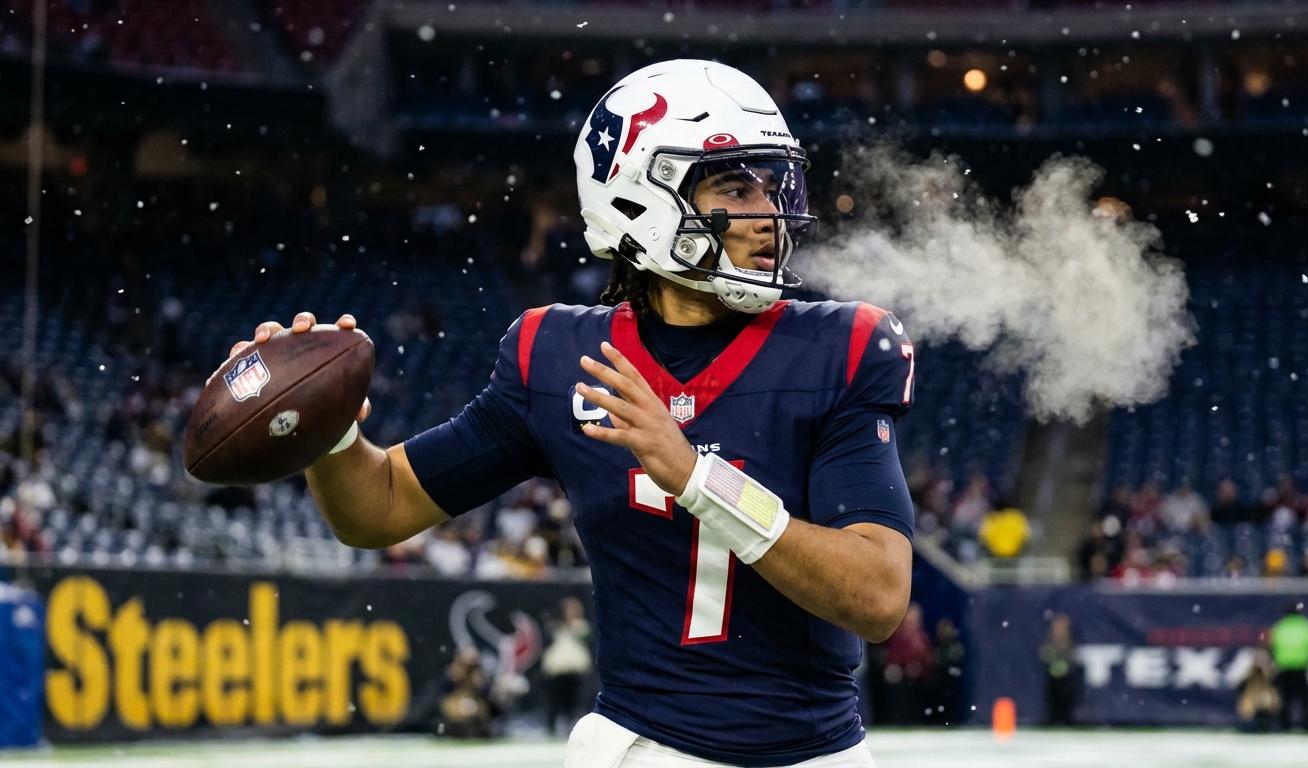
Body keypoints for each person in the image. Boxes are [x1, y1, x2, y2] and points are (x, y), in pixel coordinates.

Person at [228, 59, 913, 767]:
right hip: (642, 747)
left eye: (772, 185)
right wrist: (326, 427)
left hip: (813, 755)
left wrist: (696, 479)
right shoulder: (554, 355)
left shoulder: (840, 345)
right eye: (735, 186)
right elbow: (379, 508)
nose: (768, 213)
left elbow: (878, 594)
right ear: (639, 196)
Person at [542, 597, 595, 736]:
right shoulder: (554, 627)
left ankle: (573, 725)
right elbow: (548, 640)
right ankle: (551, 727)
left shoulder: (581, 626)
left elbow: (583, 634)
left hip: (575, 670)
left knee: (574, 701)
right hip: (557, 670)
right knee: (555, 701)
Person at [1269, 603, 1308, 732]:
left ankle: (1284, 724)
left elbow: (1272, 644)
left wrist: (1279, 658)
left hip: (1284, 667)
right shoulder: (1306, 626)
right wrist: (1305, 657)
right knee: (1304, 699)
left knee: (1285, 699)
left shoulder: (1280, 626)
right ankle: (1307, 724)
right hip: (1301, 667)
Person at [879, 604, 933, 726]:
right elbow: (892, 656)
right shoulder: (898, 636)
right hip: (902, 677)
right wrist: (898, 667)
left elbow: (927, 658)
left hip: (919, 678)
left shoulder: (922, 637)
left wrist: (918, 667)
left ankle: (918, 718)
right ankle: (897, 719)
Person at [1039, 613, 1080, 725]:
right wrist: (1053, 662)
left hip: (1067, 677)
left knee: (1066, 698)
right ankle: (1054, 719)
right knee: (1053, 699)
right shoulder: (1049, 639)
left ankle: (1066, 719)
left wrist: (1065, 665)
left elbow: (1072, 655)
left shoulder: (1070, 640)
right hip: (1053, 677)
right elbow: (1044, 653)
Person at [928, 618, 965, 725]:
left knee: (950, 709)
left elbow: (953, 660)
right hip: (937, 685)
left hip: (951, 685)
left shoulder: (955, 645)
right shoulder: (935, 645)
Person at [1236, 651, 1281, 733]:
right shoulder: (1250, 676)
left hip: (1267, 709)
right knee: (1249, 724)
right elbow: (1241, 686)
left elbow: (1274, 700)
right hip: (1251, 708)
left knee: (1271, 724)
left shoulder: (1270, 678)